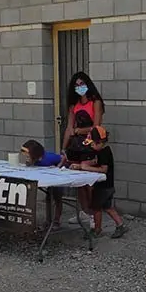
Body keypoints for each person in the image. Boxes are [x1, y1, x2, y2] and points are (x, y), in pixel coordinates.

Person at [63, 72, 104, 224]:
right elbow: (69, 127)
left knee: (90, 182)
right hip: (75, 146)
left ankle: (95, 214)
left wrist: (79, 131)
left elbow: (97, 127)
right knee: (79, 182)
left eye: (82, 84)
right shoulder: (73, 105)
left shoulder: (96, 102)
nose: (80, 87)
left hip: (90, 145)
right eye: (76, 85)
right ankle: (84, 211)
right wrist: (63, 148)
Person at [71, 126, 126, 238]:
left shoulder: (104, 153)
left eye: (92, 143)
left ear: (100, 142)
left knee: (96, 208)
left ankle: (97, 229)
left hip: (103, 186)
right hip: (106, 186)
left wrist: (86, 168)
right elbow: (95, 161)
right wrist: (82, 165)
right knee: (107, 207)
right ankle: (120, 225)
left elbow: (103, 169)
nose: (91, 145)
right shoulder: (102, 151)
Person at [22, 139, 66, 228]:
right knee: (48, 199)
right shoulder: (36, 160)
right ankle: (48, 220)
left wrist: (57, 168)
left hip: (58, 179)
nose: (26, 158)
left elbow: (63, 158)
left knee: (57, 198)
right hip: (49, 180)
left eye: (28, 156)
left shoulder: (49, 157)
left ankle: (56, 220)